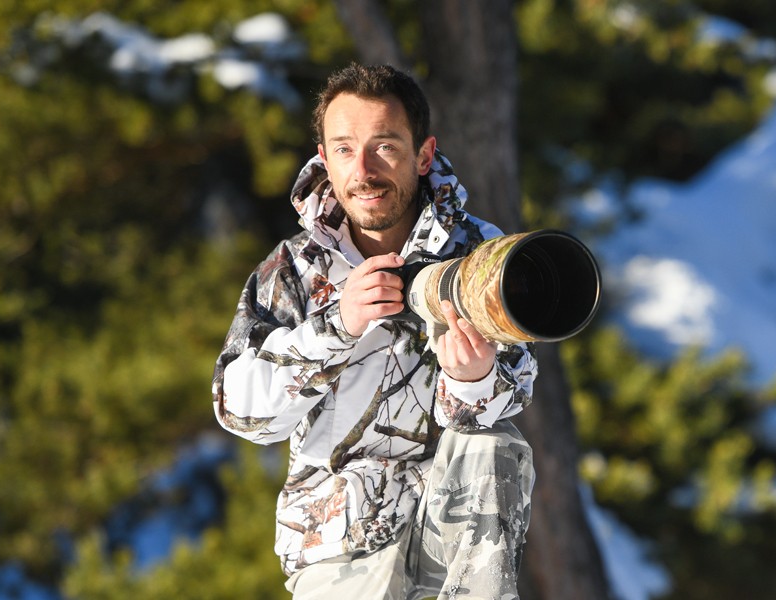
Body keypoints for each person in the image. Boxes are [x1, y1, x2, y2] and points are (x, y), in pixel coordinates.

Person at [211, 63, 536, 599]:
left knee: (496, 444)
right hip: (337, 540)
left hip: (452, 534)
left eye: (384, 146)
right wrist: (336, 326)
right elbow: (238, 410)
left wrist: (474, 381)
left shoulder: (477, 255)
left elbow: (519, 382)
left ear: (423, 155)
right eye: (343, 149)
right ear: (323, 157)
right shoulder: (296, 269)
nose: (362, 170)